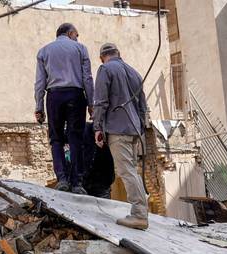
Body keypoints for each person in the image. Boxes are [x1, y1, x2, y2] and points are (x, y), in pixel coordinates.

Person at [92, 43, 150, 230]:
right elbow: (143, 107)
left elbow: (100, 102)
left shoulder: (105, 69)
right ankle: (140, 211)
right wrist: (140, 128)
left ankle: (139, 215)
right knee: (132, 170)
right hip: (134, 129)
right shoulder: (134, 73)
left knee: (126, 171)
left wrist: (97, 127)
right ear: (119, 54)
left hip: (118, 129)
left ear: (102, 57)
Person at [35, 22, 94, 194]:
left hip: (54, 96)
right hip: (76, 95)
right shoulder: (80, 49)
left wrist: (39, 106)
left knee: (56, 139)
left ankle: (61, 179)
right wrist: (92, 104)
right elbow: (87, 78)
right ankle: (77, 182)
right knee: (76, 139)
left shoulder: (44, 51)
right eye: (77, 35)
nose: (77, 38)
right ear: (70, 33)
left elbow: (40, 82)